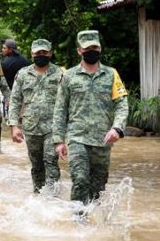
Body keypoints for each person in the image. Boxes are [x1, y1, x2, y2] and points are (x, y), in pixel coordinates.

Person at [52, 30, 129, 206]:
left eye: (95, 47)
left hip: (103, 139)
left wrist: (117, 128)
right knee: (80, 181)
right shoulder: (69, 76)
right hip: (77, 138)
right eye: (87, 48)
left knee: (98, 188)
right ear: (79, 50)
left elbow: (121, 104)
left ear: (100, 49)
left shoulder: (111, 74)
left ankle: (94, 225)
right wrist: (58, 140)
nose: (91, 51)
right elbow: (60, 109)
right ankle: (79, 222)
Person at [8, 39, 63, 193]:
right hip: (31, 127)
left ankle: (53, 199)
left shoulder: (60, 74)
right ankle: (39, 197)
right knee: (37, 165)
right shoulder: (23, 74)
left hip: (53, 127)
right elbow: (15, 100)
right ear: (31, 54)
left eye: (44, 52)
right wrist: (14, 126)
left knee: (51, 161)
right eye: (37, 53)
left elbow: (67, 102)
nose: (41, 55)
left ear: (50, 53)